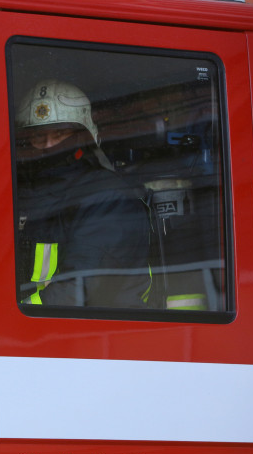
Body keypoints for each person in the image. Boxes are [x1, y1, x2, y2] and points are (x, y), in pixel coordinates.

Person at [14, 79, 151, 308]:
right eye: (38, 136)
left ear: (84, 136)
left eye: (59, 134)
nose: (48, 145)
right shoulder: (22, 194)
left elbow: (78, 288)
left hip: (98, 327)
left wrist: (15, 315)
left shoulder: (108, 196)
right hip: (45, 323)